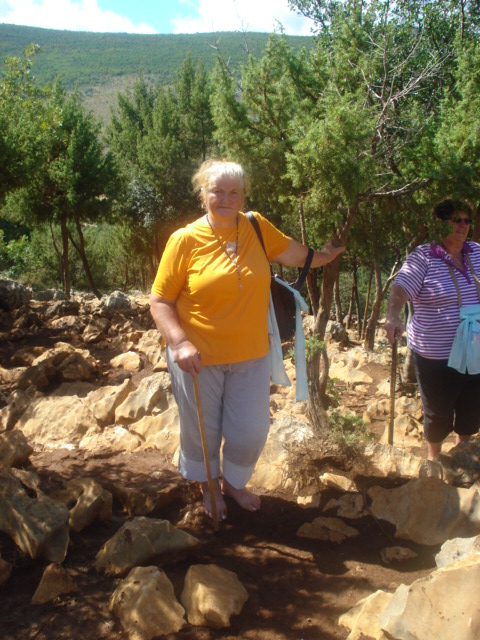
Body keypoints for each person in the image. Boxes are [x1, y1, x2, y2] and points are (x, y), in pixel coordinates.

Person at [150, 158, 345, 520]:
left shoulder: (256, 227)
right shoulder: (185, 240)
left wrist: (326, 256)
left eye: (234, 192)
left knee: (252, 430)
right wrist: (179, 342)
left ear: (243, 196)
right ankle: (209, 486)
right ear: (203, 194)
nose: (225, 198)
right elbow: (160, 301)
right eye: (217, 191)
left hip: (252, 354)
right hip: (197, 358)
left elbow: (296, 254)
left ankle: (234, 483)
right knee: (202, 430)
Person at [384, 198, 480, 460]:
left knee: (471, 409)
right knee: (438, 413)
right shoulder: (423, 256)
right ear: (440, 222)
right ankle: (434, 460)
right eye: (455, 220)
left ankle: (463, 456)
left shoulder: (477, 253)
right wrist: (393, 315)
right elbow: (401, 286)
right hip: (436, 355)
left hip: (475, 349)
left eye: (466, 220)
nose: (462, 225)